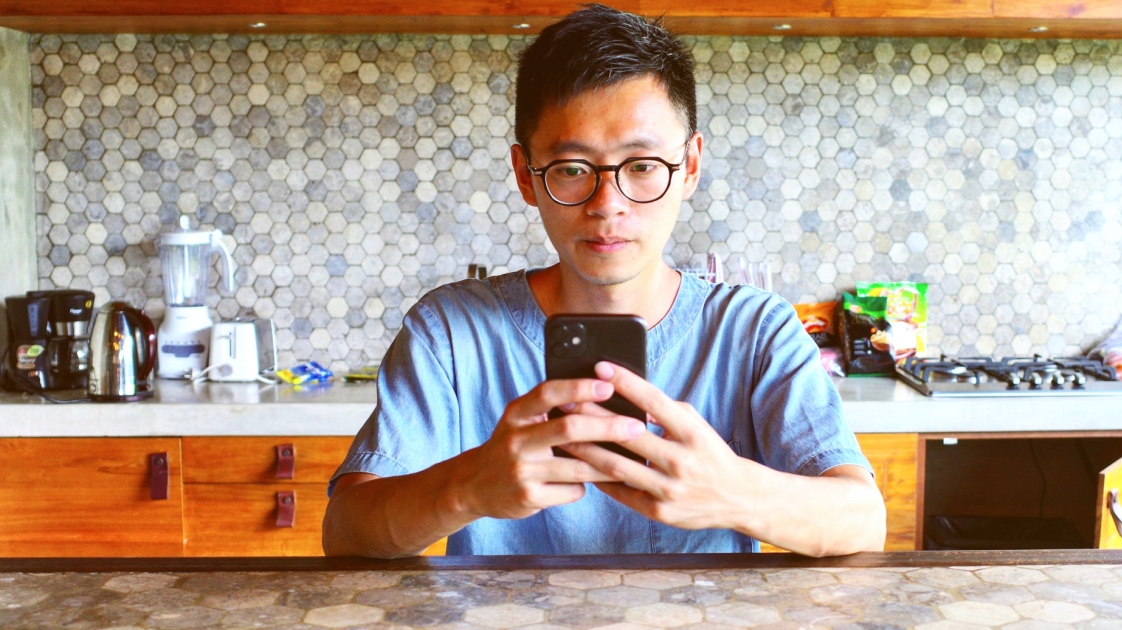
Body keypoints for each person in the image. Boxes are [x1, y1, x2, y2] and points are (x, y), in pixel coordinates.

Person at [322, 3, 886, 557]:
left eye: (642, 166)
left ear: (689, 166)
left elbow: (862, 523)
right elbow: (346, 532)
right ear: (525, 175)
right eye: (572, 169)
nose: (607, 205)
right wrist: (466, 487)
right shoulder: (450, 332)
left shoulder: (754, 329)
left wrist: (734, 492)